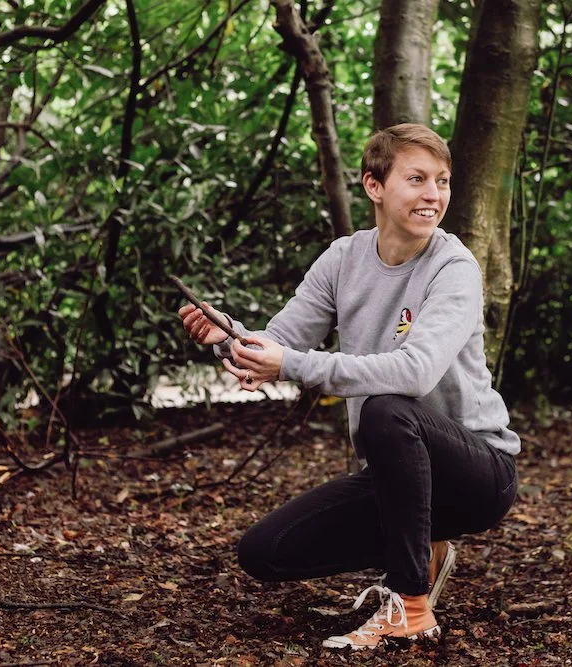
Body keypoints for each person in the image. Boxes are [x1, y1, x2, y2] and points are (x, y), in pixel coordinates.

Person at [178, 123, 520, 650]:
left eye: (442, 181)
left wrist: (290, 364)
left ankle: (409, 604)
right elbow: (281, 341)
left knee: (387, 407)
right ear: (374, 186)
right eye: (417, 179)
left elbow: (415, 373)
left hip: (478, 474)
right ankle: (424, 547)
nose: (434, 194)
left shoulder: (454, 267)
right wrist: (227, 338)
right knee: (265, 551)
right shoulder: (343, 259)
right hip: (399, 475)